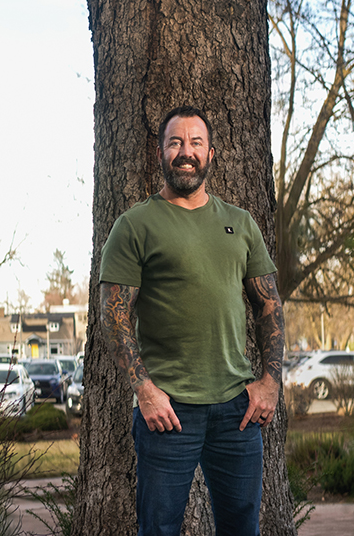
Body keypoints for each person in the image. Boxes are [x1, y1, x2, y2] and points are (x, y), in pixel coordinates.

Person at [99, 106, 285, 536]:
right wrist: (144, 390)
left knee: (242, 528)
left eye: (195, 143)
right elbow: (114, 314)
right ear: (161, 153)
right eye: (176, 143)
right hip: (168, 411)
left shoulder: (240, 224)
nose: (186, 152)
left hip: (237, 411)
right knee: (159, 529)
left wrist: (270, 381)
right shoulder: (134, 225)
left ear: (211, 154)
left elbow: (269, 304)